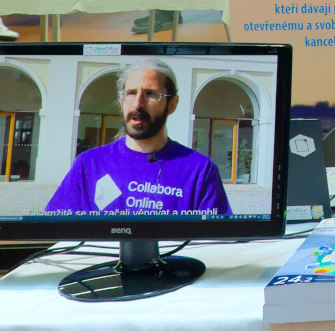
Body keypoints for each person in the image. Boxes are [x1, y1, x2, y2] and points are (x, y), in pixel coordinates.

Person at [45, 58, 232, 216]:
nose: (138, 104)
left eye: (150, 94)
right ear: (121, 102)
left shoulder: (199, 170)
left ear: (172, 104)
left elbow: (215, 243)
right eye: (131, 93)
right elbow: (56, 235)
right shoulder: (89, 164)